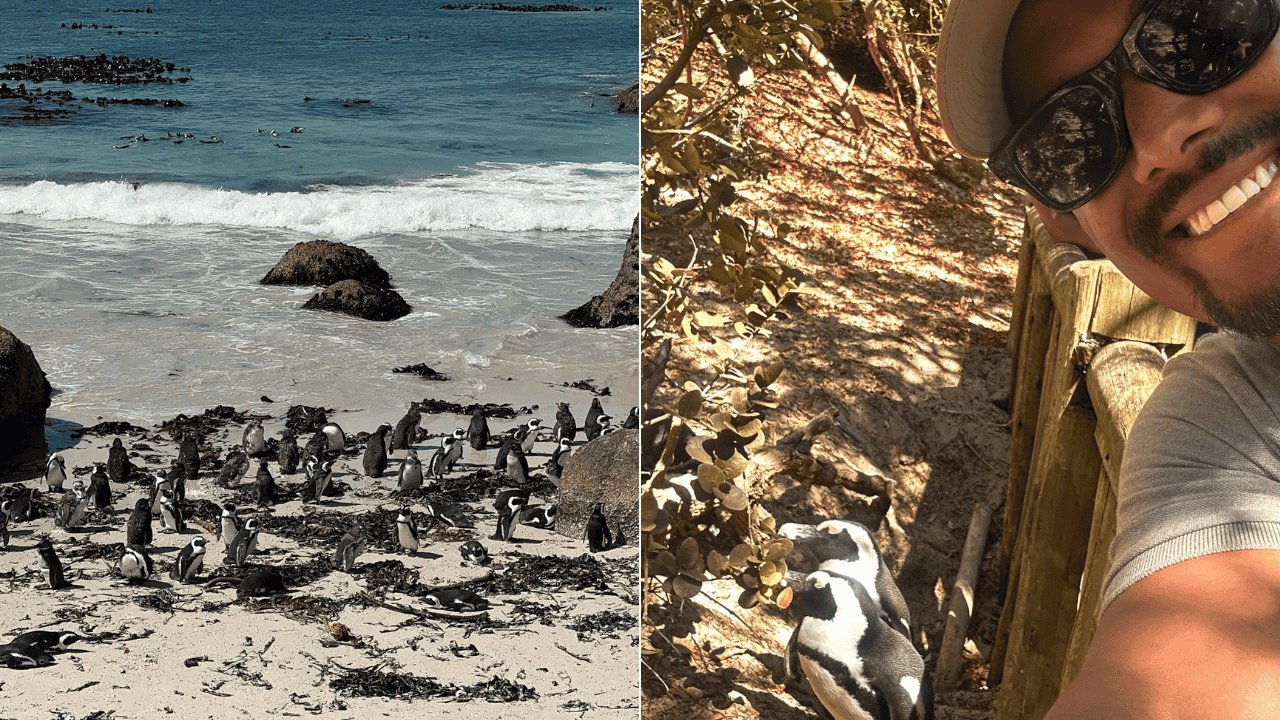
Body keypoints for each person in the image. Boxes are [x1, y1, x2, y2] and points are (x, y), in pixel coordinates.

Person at [936, 0, 1279, 716]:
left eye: (1205, 23)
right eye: (1071, 134)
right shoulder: (1225, 427)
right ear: (1062, 221)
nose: (1156, 139)